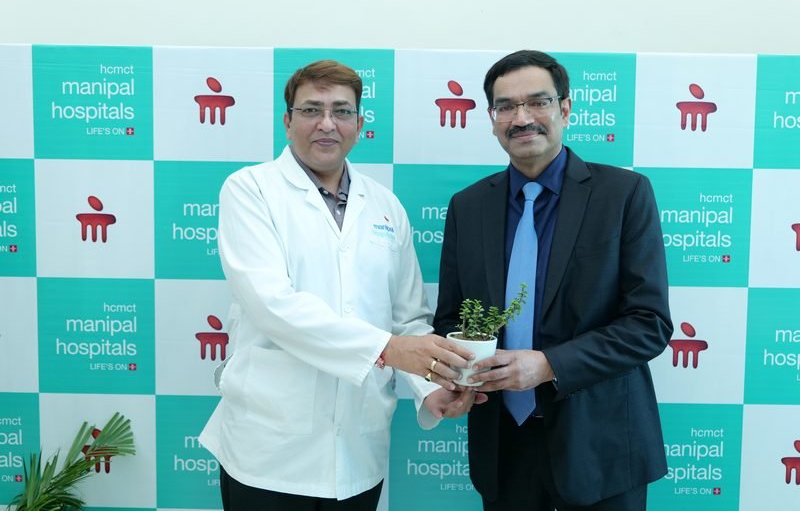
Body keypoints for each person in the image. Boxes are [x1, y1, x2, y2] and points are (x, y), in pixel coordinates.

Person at [199, 59, 482, 511]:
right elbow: (272, 305)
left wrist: (433, 388)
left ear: (360, 124)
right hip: (269, 450)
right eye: (312, 110)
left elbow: (408, 319)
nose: (327, 124)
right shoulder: (251, 190)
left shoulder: (385, 206)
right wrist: (387, 348)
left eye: (342, 111)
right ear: (287, 121)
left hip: (358, 449)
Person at [434, 50, 673, 511]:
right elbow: (451, 319)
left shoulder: (623, 194)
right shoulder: (468, 206)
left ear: (565, 108)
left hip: (601, 445)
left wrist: (548, 365)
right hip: (504, 445)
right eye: (506, 106)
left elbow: (649, 324)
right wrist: (459, 373)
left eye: (537, 102)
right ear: (492, 119)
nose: (522, 118)